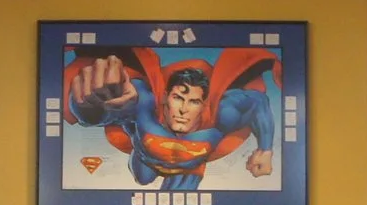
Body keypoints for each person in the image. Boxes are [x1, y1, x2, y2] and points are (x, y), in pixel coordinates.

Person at [67, 48, 276, 192]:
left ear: (204, 105)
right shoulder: (144, 104)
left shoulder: (222, 115)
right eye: (178, 98)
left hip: (189, 166)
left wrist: (265, 150)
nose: (183, 109)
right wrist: (89, 104)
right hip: (145, 159)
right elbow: (97, 114)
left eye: (193, 102)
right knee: (142, 179)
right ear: (166, 97)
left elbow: (259, 103)